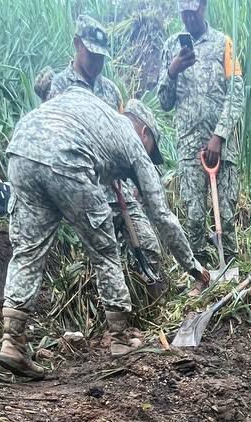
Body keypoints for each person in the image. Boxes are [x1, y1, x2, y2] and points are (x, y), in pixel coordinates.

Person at [0, 87, 210, 378]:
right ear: (145, 134)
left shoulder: (94, 113)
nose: (149, 156)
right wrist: (194, 267)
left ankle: (12, 342)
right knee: (105, 251)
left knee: (27, 251)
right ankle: (121, 339)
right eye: (152, 151)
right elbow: (161, 215)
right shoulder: (133, 144)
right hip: (67, 157)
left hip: (21, 149)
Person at [33, 16, 164, 282]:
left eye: (102, 57)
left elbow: (122, 140)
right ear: (77, 44)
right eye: (91, 55)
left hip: (115, 190)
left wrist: (132, 180)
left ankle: (144, 301)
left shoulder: (111, 91)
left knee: (148, 246)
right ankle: (104, 305)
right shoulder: (58, 85)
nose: (97, 63)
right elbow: (51, 141)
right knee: (101, 258)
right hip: (79, 188)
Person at [157, 0, 244, 271]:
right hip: (189, 148)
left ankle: (230, 271)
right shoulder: (171, 47)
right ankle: (200, 277)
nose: (188, 17)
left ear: (203, 7)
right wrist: (172, 71)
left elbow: (237, 94)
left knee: (227, 216)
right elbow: (164, 102)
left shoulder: (223, 43)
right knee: (194, 217)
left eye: (192, 11)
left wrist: (219, 136)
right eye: (183, 11)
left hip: (223, 147)